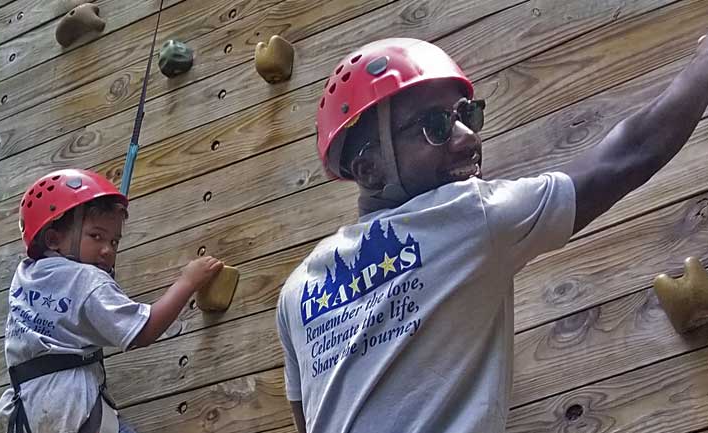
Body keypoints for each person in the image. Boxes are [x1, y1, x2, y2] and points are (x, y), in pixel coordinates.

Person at [275, 35, 708, 433]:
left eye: (468, 115)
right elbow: (629, 155)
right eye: (436, 126)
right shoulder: (465, 217)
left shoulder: (296, 293)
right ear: (369, 168)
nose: (467, 139)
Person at [0, 169, 224, 433]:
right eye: (96, 236)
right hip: (71, 408)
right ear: (53, 239)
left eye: (114, 241)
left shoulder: (25, 276)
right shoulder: (87, 280)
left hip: (23, 411)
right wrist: (188, 282)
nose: (107, 250)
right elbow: (143, 331)